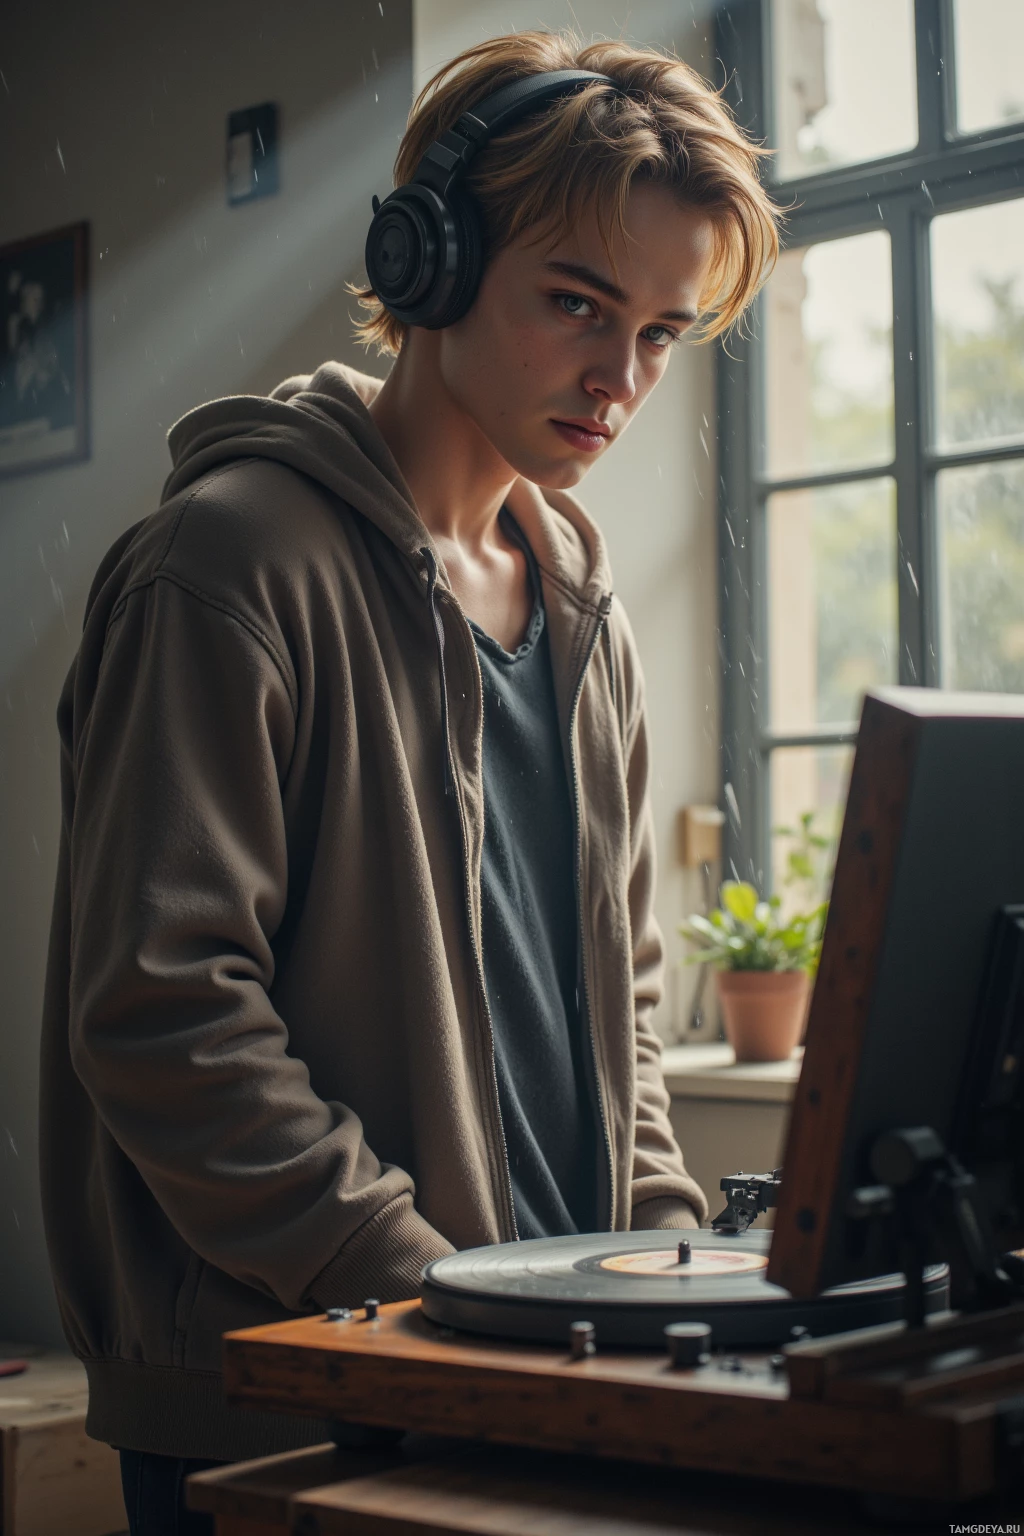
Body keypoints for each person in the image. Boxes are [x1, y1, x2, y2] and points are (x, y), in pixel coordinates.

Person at [39, 28, 780, 1533]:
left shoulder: (582, 603)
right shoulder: (225, 567)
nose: (619, 376)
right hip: (284, 1383)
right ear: (428, 268)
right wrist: (420, 1286)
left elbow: (622, 1009)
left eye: (658, 333)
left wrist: (658, 1281)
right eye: (577, 304)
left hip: (534, 1373)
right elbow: (164, 1016)